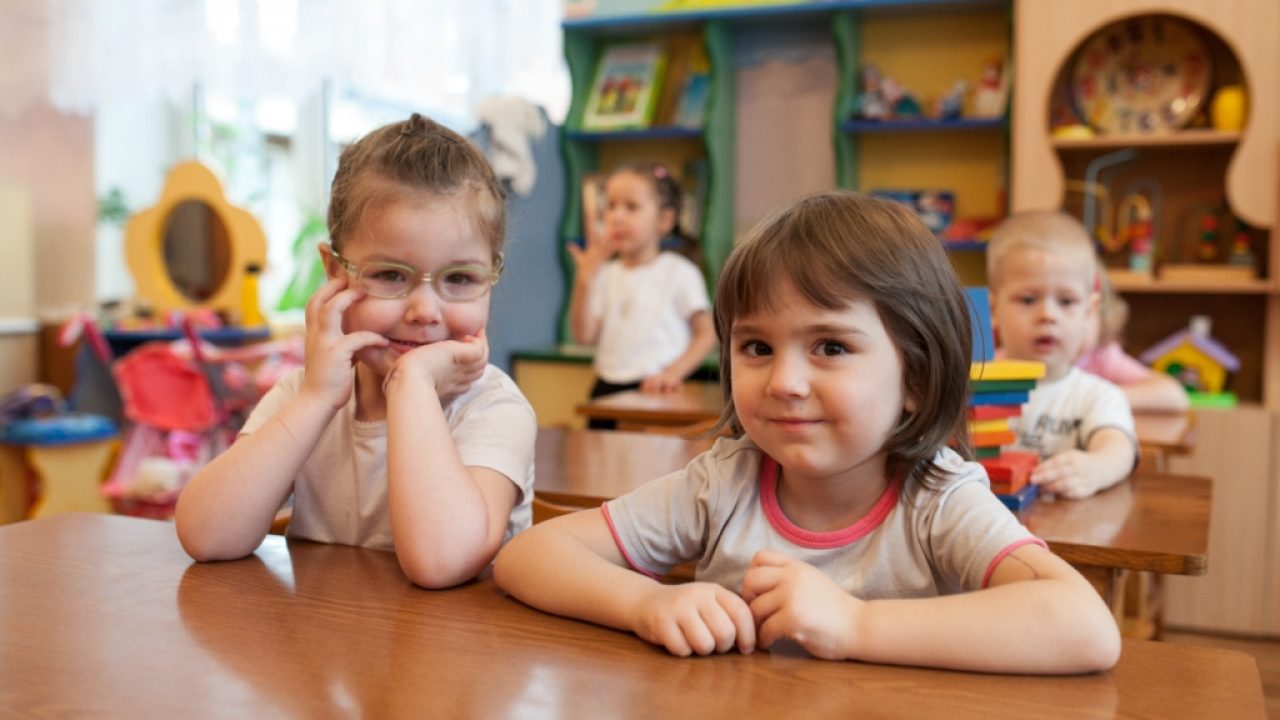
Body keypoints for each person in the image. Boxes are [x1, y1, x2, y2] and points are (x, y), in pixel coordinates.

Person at [496, 192, 1120, 674]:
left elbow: (1085, 628)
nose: (785, 382)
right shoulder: (723, 482)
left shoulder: (937, 500)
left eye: (830, 346)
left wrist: (855, 627)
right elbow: (529, 555)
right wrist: (646, 604)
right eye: (757, 346)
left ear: (917, 377)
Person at [176, 113, 537, 589]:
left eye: (460, 279)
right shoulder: (310, 395)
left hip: (456, 654)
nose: (425, 310)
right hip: (339, 644)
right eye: (390, 275)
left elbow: (440, 562)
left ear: (491, 276)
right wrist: (315, 400)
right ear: (334, 271)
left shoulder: (495, 408)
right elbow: (206, 535)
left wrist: (411, 386)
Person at [987, 210, 1139, 499]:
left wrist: (1096, 468)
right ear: (994, 309)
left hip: (1064, 534)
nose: (1048, 315)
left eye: (1066, 301)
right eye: (1028, 299)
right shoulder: (970, 382)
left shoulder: (1097, 396)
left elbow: (1120, 448)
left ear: (1089, 312)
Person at [567, 163, 716, 423]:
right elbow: (583, 336)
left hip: (655, 391)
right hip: (605, 389)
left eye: (631, 207)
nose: (617, 217)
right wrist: (584, 281)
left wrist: (672, 373)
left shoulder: (680, 272)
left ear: (665, 220)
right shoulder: (604, 274)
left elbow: (707, 333)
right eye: (611, 206)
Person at [1078, 270, 1190, 413]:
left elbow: (1175, 396)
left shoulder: (1101, 357)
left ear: (1101, 316)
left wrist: (1099, 399)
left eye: (1067, 302)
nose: (1050, 316)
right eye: (1038, 299)